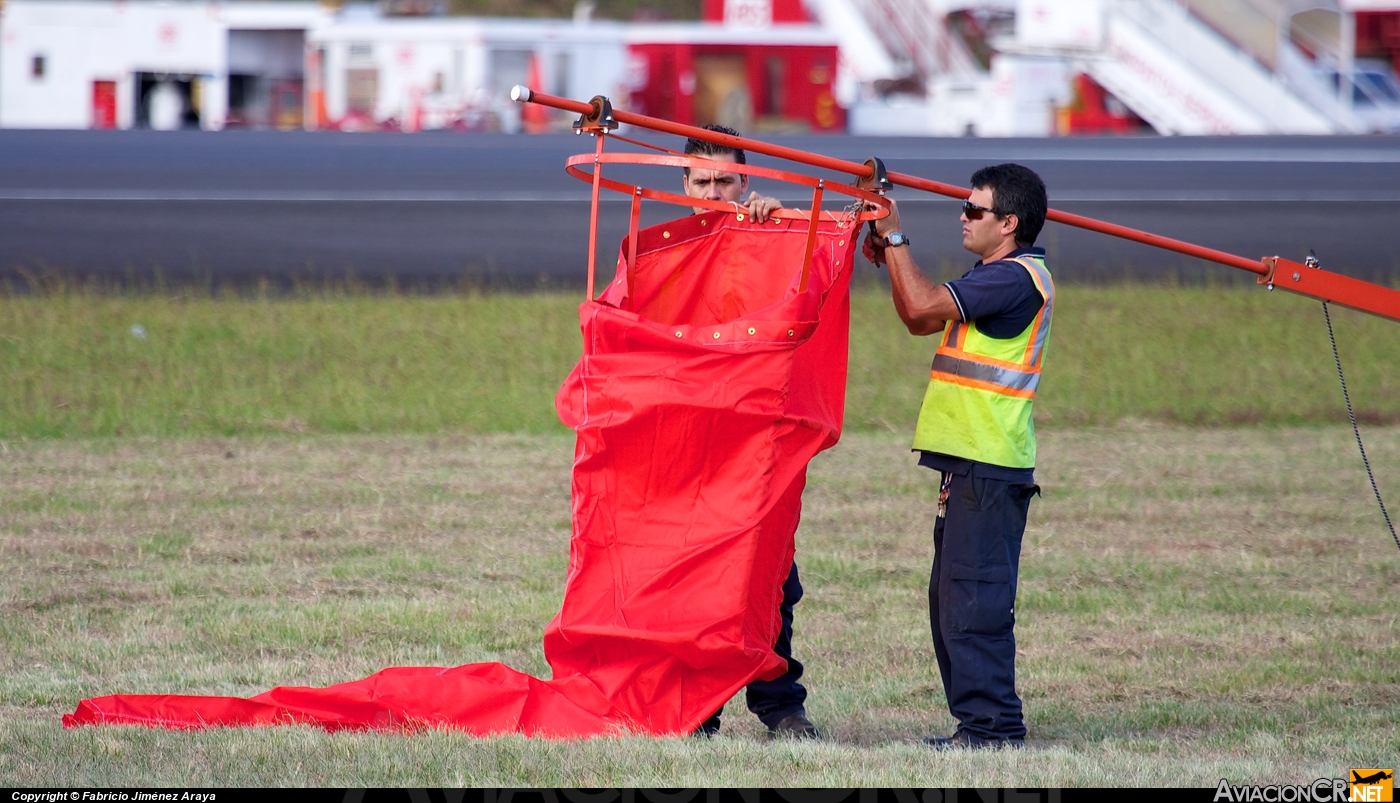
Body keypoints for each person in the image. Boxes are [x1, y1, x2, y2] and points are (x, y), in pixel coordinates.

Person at [863, 164, 1053, 750]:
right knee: (951, 601)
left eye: (974, 211)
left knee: (973, 604)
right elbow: (917, 319)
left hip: (989, 464)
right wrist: (887, 248)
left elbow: (921, 307)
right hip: (969, 462)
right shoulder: (994, 274)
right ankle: (979, 724)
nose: (962, 218)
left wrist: (895, 236)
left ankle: (993, 729)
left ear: (1008, 223)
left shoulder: (1013, 279)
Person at [680, 125, 818, 740]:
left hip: (758, 440)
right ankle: (695, 706)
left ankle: (780, 704)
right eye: (703, 182)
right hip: (687, 441)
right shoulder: (664, 249)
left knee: (769, 576)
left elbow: (815, 286)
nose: (715, 192)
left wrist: (778, 227)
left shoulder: (773, 236)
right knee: (687, 579)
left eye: (726, 181)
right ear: (683, 186)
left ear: (747, 182)